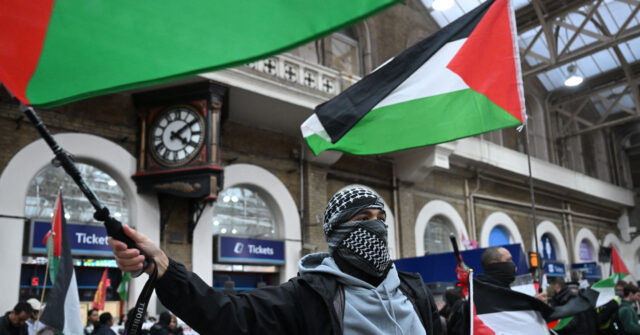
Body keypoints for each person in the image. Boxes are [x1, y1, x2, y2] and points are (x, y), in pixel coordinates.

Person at [109, 187, 443, 334]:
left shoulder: (414, 292)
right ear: (336, 232)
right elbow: (227, 315)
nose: (375, 226)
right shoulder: (308, 297)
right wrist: (164, 268)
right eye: (362, 218)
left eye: (379, 217)